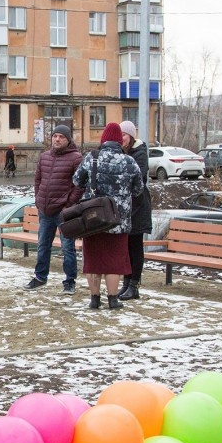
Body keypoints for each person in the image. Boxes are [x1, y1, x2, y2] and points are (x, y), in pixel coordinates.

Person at [72, 122, 143, 310]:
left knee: (93, 261)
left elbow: (77, 180)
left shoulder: (92, 158)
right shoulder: (129, 162)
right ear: (120, 141)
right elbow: (138, 190)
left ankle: (94, 299)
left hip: (94, 219)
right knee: (114, 262)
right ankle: (112, 299)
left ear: (103, 139)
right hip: (118, 222)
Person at [25, 125, 84, 294]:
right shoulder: (44, 157)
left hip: (64, 212)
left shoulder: (76, 158)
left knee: (67, 248)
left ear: (68, 139)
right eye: (55, 136)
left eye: (61, 137)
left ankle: (69, 281)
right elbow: (38, 180)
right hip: (45, 209)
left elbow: (79, 186)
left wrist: (68, 205)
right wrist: (38, 199)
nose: (57, 139)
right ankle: (40, 277)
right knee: (43, 245)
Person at [116, 121, 152, 301]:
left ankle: (134, 284)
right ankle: (126, 282)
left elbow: (138, 178)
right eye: (119, 134)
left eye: (124, 135)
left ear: (131, 136)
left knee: (135, 247)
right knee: (125, 247)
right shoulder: (121, 153)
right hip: (125, 206)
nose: (121, 138)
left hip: (138, 206)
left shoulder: (139, 152)